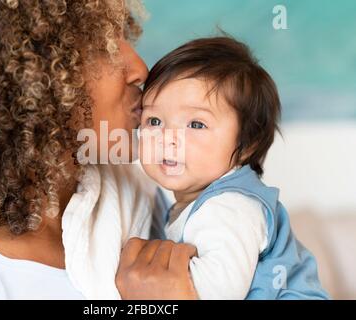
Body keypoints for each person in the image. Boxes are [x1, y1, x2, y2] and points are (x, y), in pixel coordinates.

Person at [0, 0, 196, 299]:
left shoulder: (149, 186)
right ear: (23, 80)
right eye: (102, 46)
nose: (140, 69)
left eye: (123, 36)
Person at [137, 37, 329, 299]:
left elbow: (214, 293)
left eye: (195, 125)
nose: (168, 137)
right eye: (155, 120)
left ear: (247, 144)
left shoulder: (228, 208)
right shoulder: (201, 203)